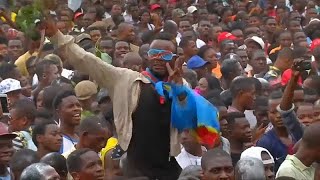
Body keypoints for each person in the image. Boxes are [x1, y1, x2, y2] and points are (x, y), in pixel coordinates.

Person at [44, 17, 218, 179]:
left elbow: (187, 123)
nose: (158, 59)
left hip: (168, 166)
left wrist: (179, 90)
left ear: (174, 58)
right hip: (134, 166)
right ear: (147, 56)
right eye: (154, 53)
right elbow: (87, 61)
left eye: (164, 55)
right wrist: (57, 36)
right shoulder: (126, 80)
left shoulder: (182, 86)